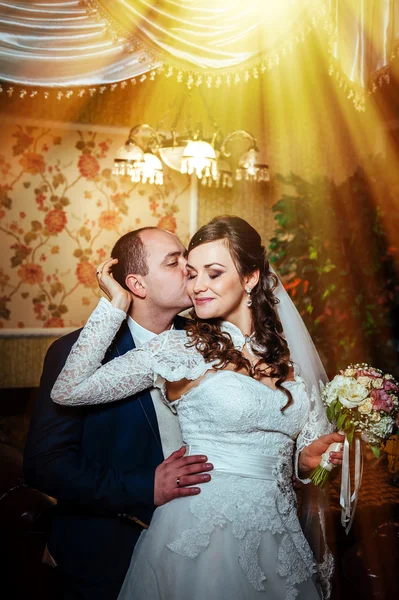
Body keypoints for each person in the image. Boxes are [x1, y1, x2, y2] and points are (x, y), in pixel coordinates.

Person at [51, 216, 344, 600]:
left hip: (279, 532)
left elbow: (288, 456)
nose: (198, 286)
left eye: (214, 273)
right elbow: (69, 390)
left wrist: (306, 464)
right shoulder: (181, 349)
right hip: (201, 532)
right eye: (191, 273)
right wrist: (116, 304)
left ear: (251, 277)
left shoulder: (286, 357)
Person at [23, 227, 213, 600]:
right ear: (136, 285)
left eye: (187, 258)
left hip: (201, 542)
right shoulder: (75, 354)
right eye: (174, 262)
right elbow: (45, 464)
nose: (189, 268)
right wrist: (146, 488)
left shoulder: (209, 341)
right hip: (110, 551)